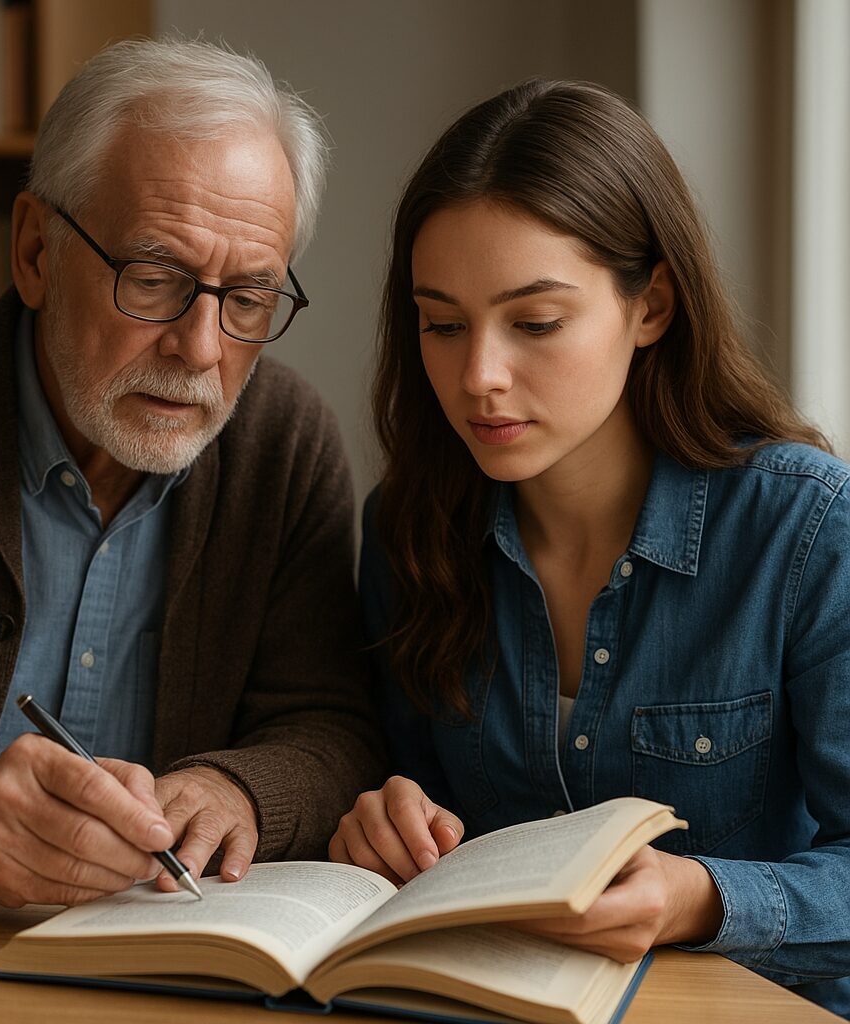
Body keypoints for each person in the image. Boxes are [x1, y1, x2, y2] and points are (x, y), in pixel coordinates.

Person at [329, 78, 850, 1016]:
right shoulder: (406, 532)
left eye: (535, 323)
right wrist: (385, 817)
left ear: (651, 307)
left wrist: (701, 897)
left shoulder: (805, 529)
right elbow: (412, 803)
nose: (478, 376)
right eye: (443, 325)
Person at [0, 37, 381, 907]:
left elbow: (331, 727)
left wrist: (241, 787)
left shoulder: (283, 442)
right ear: (36, 253)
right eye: (155, 277)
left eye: (247, 299)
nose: (200, 349)